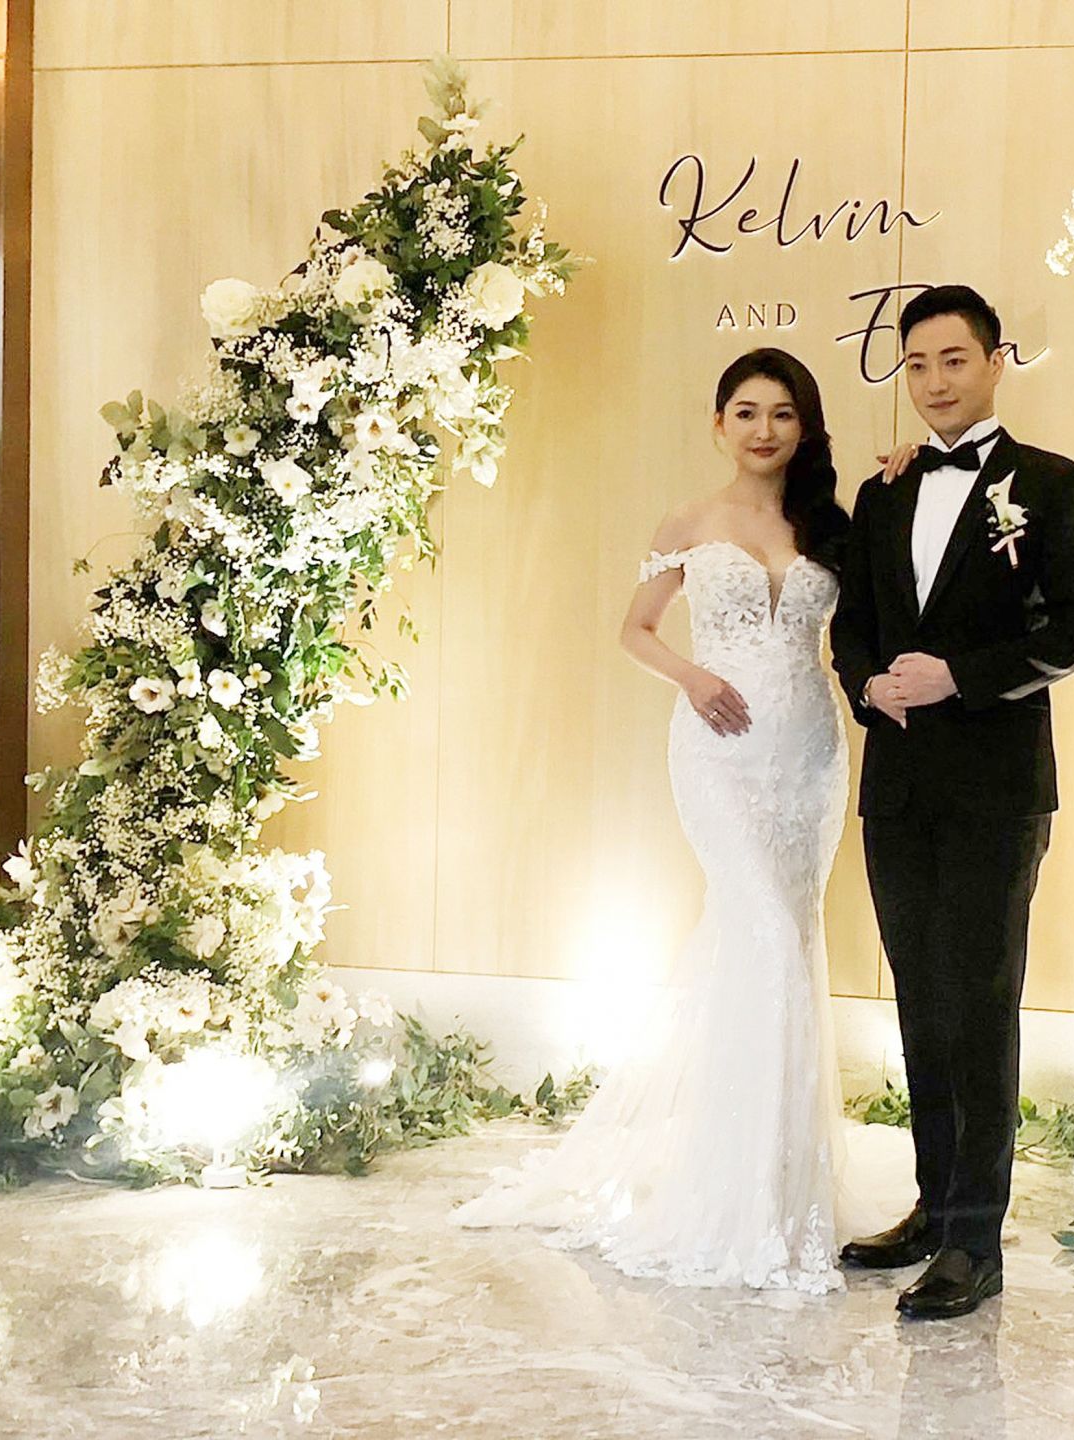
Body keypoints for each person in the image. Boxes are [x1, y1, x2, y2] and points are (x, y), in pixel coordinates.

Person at [450, 347, 876, 1293]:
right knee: (761, 934)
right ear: (718, 424)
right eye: (746, 412)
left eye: (784, 414)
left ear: (806, 428)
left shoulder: (832, 526)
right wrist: (693, 677)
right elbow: (634, 629)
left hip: (808, 756)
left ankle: (782, 1184)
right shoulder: (689, 521)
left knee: (788, 942)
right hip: (719, 750)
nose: (764, 429)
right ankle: (729, 1194)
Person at [830, 284, 1074, 1319]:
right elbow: (853, 625)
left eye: (954, 360)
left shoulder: (1056, 484)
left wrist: (959, 677)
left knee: (980, 999)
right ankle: (933, 1204)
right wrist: (867, 684)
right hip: (898, 784)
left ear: (996, 362)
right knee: (919, 995)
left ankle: (974, 1242)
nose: (935, 381)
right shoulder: (883, 493)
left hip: (997, 787)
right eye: (917, 365)